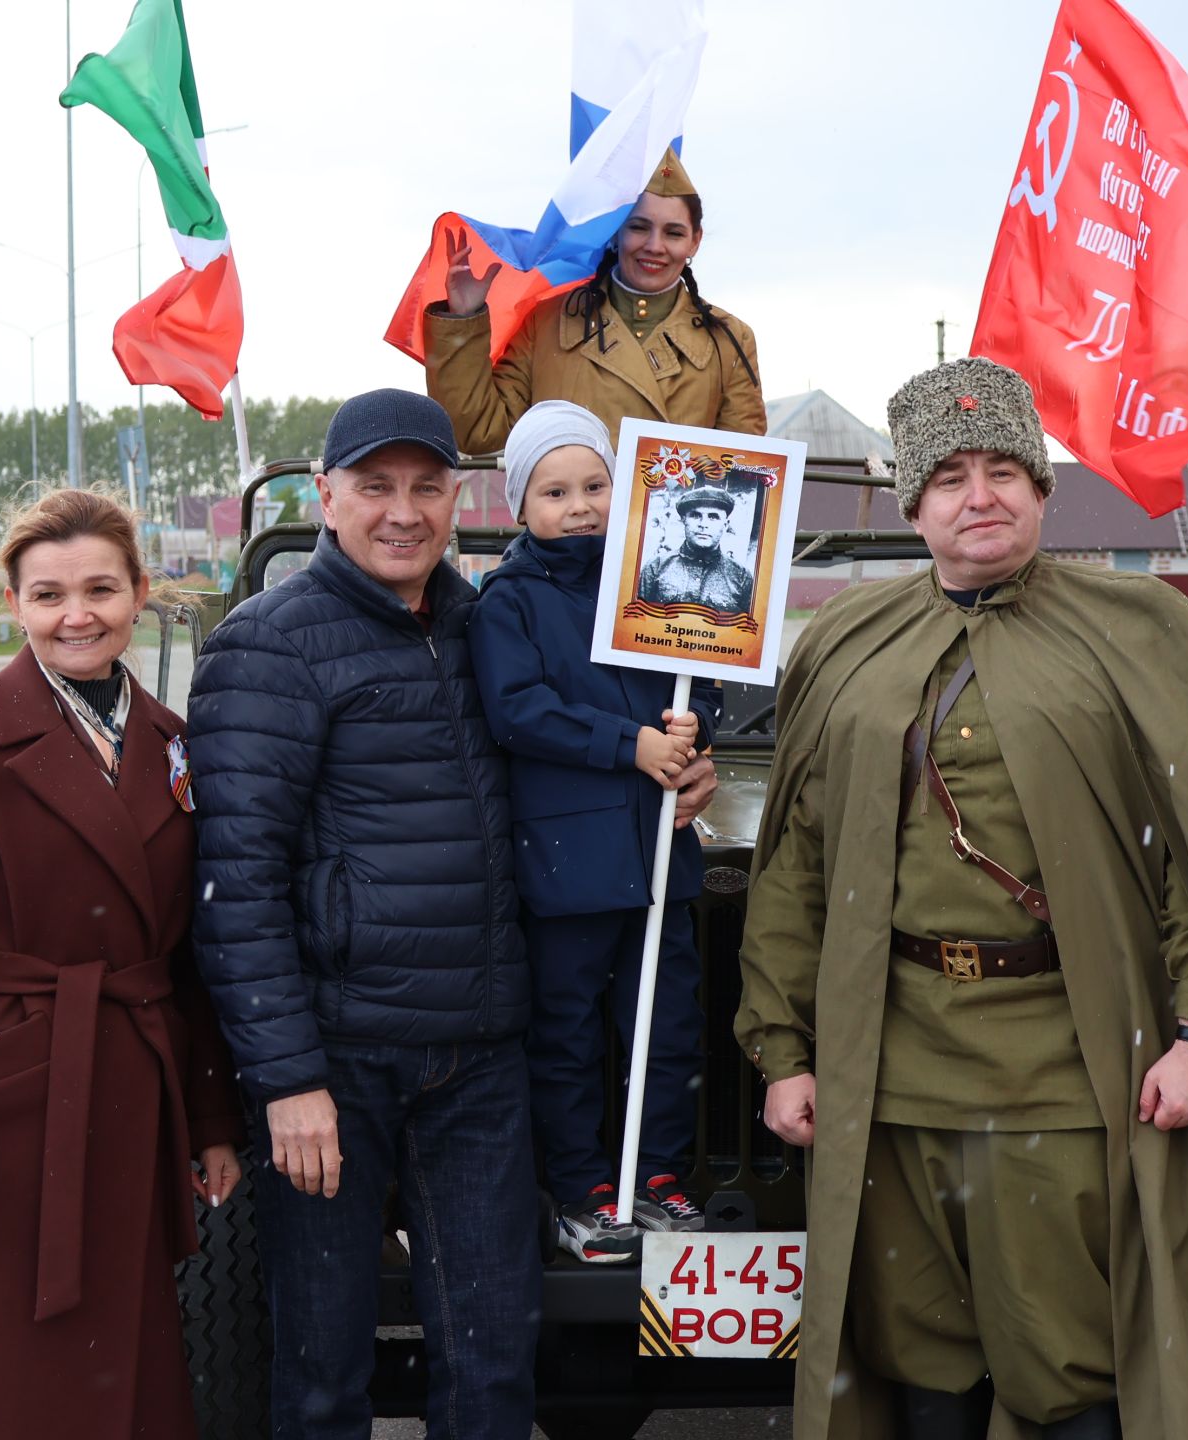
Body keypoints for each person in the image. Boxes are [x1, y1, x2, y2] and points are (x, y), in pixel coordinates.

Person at [734, 358, 1188, 1440]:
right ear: (913, 501)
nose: (983, 495)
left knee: (1069, 1363)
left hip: (1067, 1063)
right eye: (952, 475)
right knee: (921, 1358)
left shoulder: (1136, 631)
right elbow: (796, 869)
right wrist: (784, 1052)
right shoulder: (844, 649)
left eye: (1006, 469)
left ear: (1043, 491)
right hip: (895, 1064)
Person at [187, 389, 716, 1437]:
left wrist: (676, 783)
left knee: (491, 1366)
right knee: (325, 1369)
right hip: (344, 1060)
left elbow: (577, 740)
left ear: (458, 500)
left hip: (481, 1053)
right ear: (327, 499)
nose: (403, 511)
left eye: (426, 487)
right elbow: (234, 881)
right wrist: (288, 1079)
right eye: (375, 487)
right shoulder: (268, 645)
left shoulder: (486, 623)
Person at [0, 487, 244, 1440]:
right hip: (4, 1106)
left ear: (139, 592)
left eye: (99, 590)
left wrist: (209, 1121)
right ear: (14, 602)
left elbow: (190, 954)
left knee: (117, 1361)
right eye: (48, 595)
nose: (76, 615)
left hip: (128, 1089)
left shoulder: (172, 747)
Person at [467, 400, 721, 1264]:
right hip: (567, 864)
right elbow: (519, 710)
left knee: (669, 1024)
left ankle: (656, 1177)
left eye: (596, 485)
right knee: (568, 1032)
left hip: (659, 857)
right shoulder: (508, 602)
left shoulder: (657, 584)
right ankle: (582, 1188)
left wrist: (695, 737)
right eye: (555, 491)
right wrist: (633, 743)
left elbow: (701, 670)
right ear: (520, 507)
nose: (579, 506)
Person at [423, 147, 765, 455]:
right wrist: (463, 319)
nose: (654, 246)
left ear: (695, 242)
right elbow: (478, 432)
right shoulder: (546, 323)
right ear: (615, 232)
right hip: (570, 523)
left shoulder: (731, 340)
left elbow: (741, 464)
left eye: (673, 233)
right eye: (638, 228)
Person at [636, 485, 755, 614]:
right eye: (695, 515)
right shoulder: (656, 566)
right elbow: (638, 618)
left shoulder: (741, 576)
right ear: (684, 520)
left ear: (725, 525)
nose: (703, 524)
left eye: (713, 517)